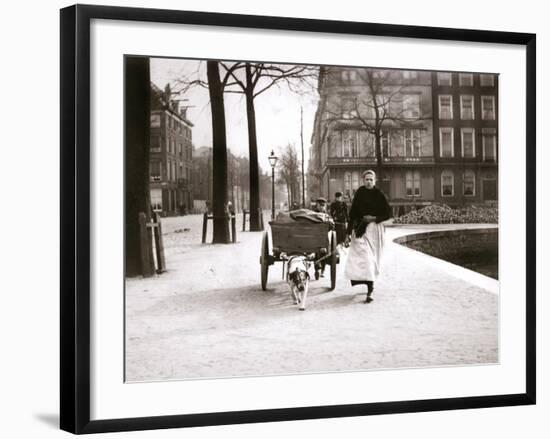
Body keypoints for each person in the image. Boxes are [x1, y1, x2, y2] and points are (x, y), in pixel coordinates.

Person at [345, 170, 392, 303]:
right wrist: (348, 233)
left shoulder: (379, 194)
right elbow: (353, 214)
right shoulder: (359, 193)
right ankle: (369, 287)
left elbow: (388, 214)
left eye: (371, 179)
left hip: (375, 230)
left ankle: (370, 287)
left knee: (372, 259)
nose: (369, 182)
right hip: (361, 229)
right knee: (364, 258)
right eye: (366, 179)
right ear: (363, 180)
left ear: (375, 181)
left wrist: (374, 218)